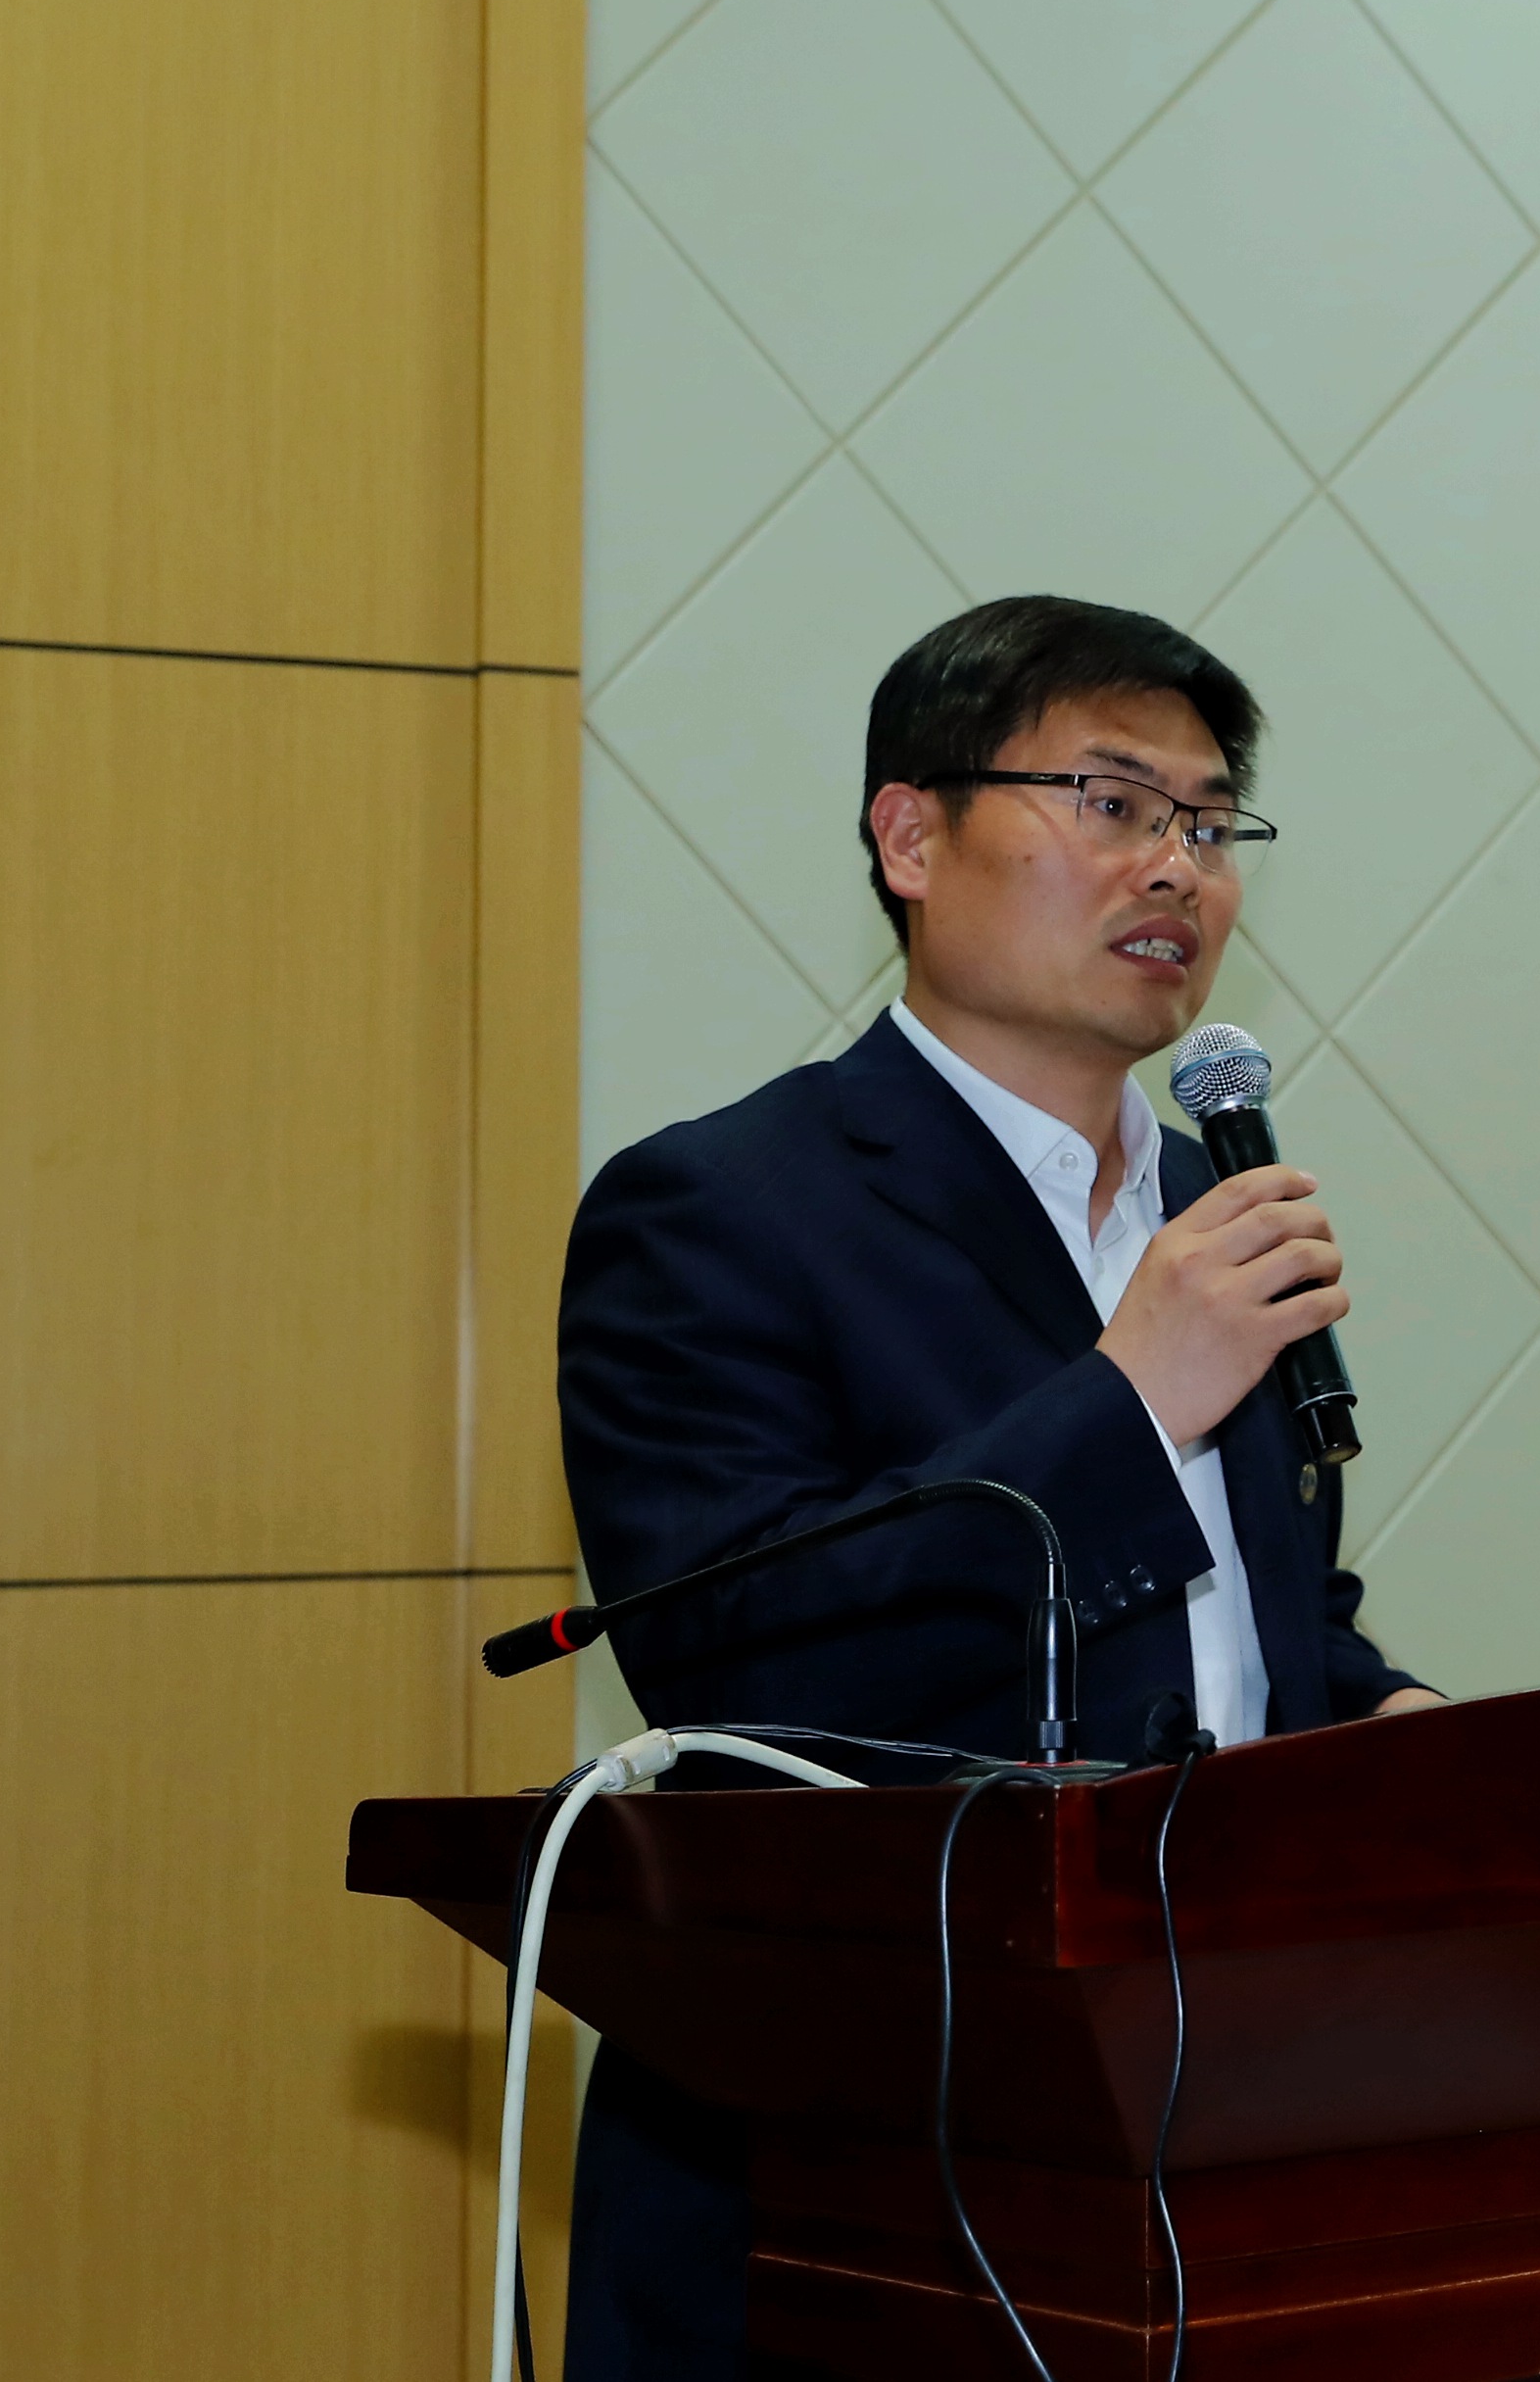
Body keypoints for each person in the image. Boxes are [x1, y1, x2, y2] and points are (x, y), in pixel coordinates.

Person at [551, 595, 1437, 2377]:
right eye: (1110, 803)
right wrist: (1129, 1399)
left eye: (1210, 824)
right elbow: (739, 1658)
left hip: (1221, 2123)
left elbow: (1249, 1643)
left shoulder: (1211, 1213)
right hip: (863, 2162)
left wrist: (1414, 1732)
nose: (1176, 866)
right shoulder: (718, 1210)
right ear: (910, 836)